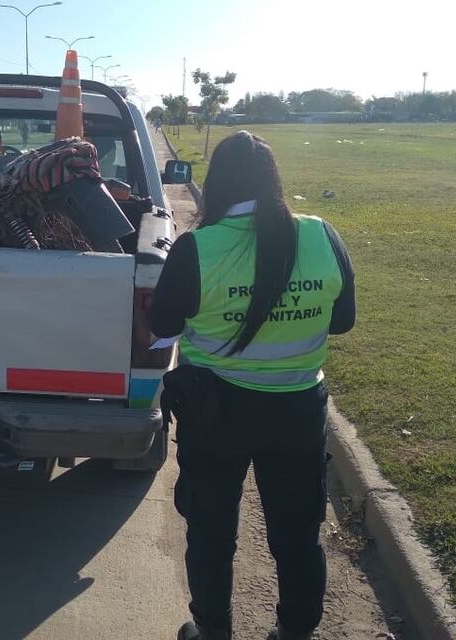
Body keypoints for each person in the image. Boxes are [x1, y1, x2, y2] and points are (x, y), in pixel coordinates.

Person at [150, 131, 356, 640]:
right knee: (297, 535)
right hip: (297, 413)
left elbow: (162, 326)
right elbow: (342, 321)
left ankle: (212, 630)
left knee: (211, 531)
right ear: (273, 178)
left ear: (217, 182)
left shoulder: (198, 248)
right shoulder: (321, 234)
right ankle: (295, 632)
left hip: (214, 414)